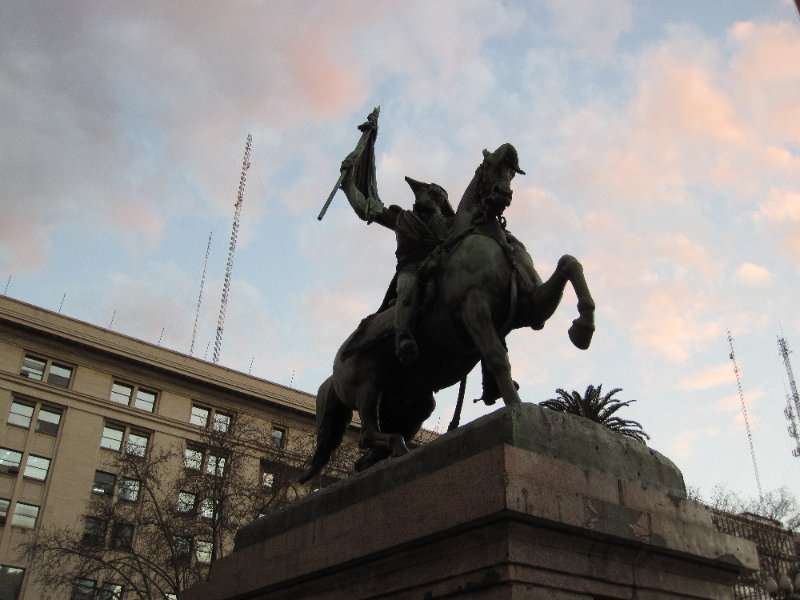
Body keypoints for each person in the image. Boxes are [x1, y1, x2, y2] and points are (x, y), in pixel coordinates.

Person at [340, 156, 454, 363]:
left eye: (422, 193)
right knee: (408, 290)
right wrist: (348, 184)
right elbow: (364, 207)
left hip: (444, 269)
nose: (417, 197)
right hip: (412, 269)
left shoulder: (450, 225)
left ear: (436, 198)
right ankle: (404, 337)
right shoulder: (401, 217)